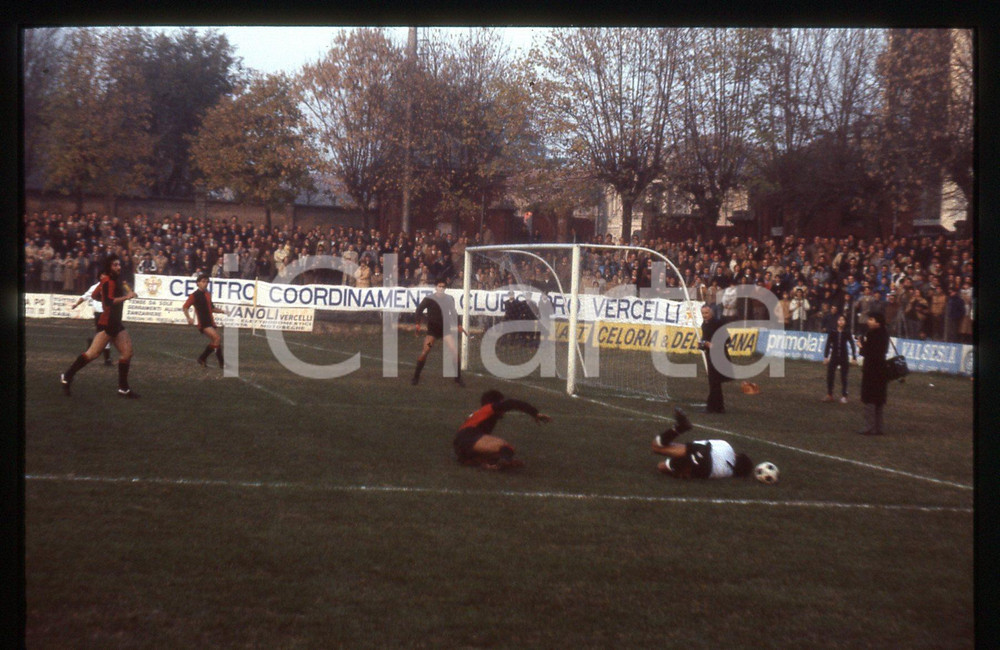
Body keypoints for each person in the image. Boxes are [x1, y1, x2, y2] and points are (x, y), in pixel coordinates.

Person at [60, 253, 140, 398]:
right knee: (92, 354)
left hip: (115, 323)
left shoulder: (112, 280)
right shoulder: (108, 281)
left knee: (127, 353)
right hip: (108, 323)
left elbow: (95, 295)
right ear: (109, 267)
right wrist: (126, 297)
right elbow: (108, 302)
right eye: (115, 265)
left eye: (119, 264)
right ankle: (67, 376)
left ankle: (123, 388)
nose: (118, 267)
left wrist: (123, 294)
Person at [453, 389, 551, 470]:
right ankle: (501, 463)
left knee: (499, 451)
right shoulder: (490, 408)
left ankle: (476, 460)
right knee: (505, 447)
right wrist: (534, 413)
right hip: (468, 437)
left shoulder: (480, 414)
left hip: (460, 442)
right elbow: (511, 403)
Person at [651, 408, 754, 479]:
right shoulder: (728, 473)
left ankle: (679, 428)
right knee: (661, 466)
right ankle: (682, 470)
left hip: (702, 452)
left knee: (656, 446)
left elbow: (703, 444)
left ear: (737, 455)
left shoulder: (727, 446)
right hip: (703, 469)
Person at [412, 278, 467, 386]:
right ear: (436, 287)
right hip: (432, 332)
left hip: (446, 331)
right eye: (439, 286)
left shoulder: (449, 299)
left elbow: (454, 312)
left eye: (443, 286)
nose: (441, 288)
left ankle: (458, 378)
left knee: (455, 352)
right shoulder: (429, 299)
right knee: (425, 351)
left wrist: (459, 324)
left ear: (445, 288)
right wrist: (418, 323)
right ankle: (416, 377)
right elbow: (419, 310)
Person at [182, 274, 227, 368]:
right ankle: (221, 363)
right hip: (203, 322)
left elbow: (212, 308)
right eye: (203, 281)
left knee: (215, 341)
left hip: (210, 321)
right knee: (217, 338)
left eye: (207, 282)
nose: (205, 284)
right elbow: (185, 307)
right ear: (198, 283)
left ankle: (202, 358)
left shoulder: (207, 294)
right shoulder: (194, 295)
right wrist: (188, 317)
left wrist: (223, 311)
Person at [857, 312, 890, 435]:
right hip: (881, 370)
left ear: (878, 322)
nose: (868, 321)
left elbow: (870, 353)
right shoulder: (884, 334)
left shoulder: (873, 334)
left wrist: (861, 346)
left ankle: (869, 427)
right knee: (879, 400)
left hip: (872, 370)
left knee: (869, 399)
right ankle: (878, 427)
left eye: (871, 319)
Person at [70, 280, 114, 366]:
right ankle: (107, 359)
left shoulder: (111, 285)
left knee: (107, 335)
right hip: (100, 314)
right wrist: (76, 304)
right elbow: (85, 296)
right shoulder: (95, 287)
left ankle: (93, 343)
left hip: (107, 314)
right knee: (106, 335)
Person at [699, 304, 731, 414]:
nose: (704, 315)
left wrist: (713, 345)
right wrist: (702, 344)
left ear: (711, 312)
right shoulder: (704, 324)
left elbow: (727, 339)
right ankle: (718, 407)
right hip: (710, 356)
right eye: (703, 313)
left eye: (706, 313)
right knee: (714, 382)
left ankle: (712, 406)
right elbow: (705, 339)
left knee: (714, 382)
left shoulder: (718, 323)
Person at [823, 315, 857, 403]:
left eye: (843, 320)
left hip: (844, 357)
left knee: (844, 376)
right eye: (839, 320)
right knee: (830, 375)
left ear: (845, 322)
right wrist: (826, 357)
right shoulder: (833, 331)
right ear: (837, 322)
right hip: (834, 356)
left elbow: (852, 344)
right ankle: (829, 394)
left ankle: (844, 396)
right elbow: (828, 344)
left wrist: (854, 357)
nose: (841, 321)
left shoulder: (847, 332)